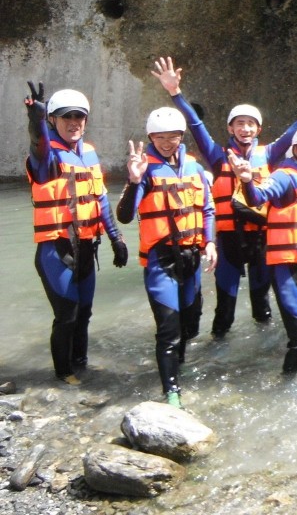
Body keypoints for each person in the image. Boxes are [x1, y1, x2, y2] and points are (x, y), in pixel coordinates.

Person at [151, 56, 297, 338]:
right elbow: (196, 125)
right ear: (230, 128)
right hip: (229, 240)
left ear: (258, 129)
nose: (245, 128)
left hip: (262, 237)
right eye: (239, 123)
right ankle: (218, 348)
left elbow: (294, 132)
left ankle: (259, 353)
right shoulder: (217, 156)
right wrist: (175, 93)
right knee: (225, 305)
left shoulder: (270, 154)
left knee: (262, 304)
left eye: (251, 124)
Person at [24, 84, 129, 386]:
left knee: (84, 313)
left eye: (79, 117)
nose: (74, 122)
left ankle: (81, 365)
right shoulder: (47, 159)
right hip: (57, 252)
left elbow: (100, 200)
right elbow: (38, 145)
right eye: (66, 117)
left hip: (86, 247)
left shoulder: (89, 154)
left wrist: (116, 238)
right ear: (53, 121)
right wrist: (36, 120)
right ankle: (63, 373)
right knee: (67, 315)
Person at [117, 108, 217, 406]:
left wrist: (210, 243)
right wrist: (135, 181)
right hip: (161, 261)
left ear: (181, 136)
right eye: (159, 137)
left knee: (191, 325)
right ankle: (171, 391)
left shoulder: (195, 169)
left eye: (172, 136)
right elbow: (124, 215)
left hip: (191, 257)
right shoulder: (144, 169)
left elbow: (208, 210)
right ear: (151, 137)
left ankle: (179, 367)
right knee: (168, 330)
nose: (166, 142)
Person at [230, 125, 297, 373]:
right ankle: (282, 387)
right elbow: (257, 197)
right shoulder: (283, 176)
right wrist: (246, 181)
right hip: (287, 269)